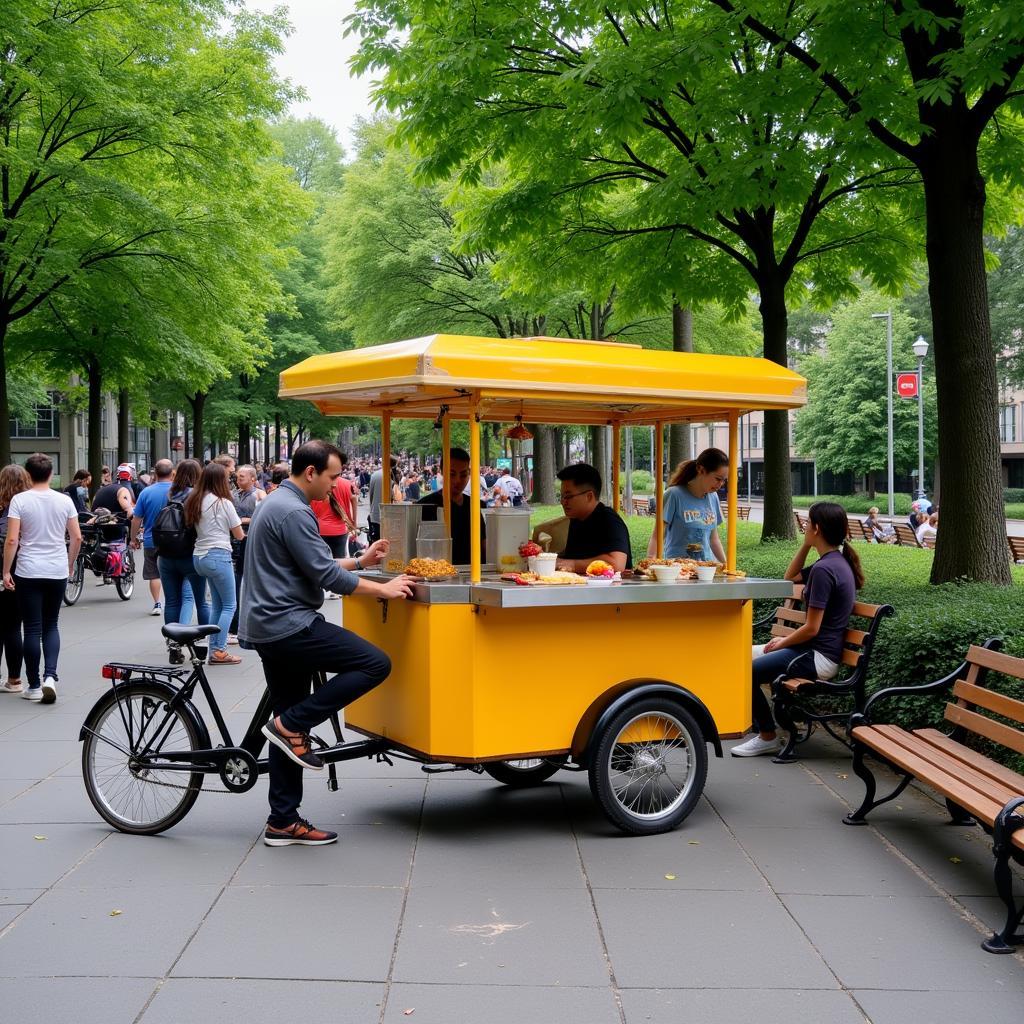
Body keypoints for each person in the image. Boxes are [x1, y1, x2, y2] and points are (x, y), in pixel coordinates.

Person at [239, 439, 415, 847]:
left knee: (286, 719)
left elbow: (313, 563)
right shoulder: (294, 511)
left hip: (270, 624)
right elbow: (327, 578)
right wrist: (383, 591)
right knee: (374, 663)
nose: (338, 485)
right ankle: (292, 725)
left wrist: (361, 561)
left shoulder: (278, 504)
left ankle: (282, 820)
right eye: (334, 477)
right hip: (288, 624)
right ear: (312, 473)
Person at [731, 501, 864, 757]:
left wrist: (781, 643)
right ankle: (760, 727)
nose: (803, 527)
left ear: (816, 527)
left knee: (747, 670)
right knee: (740, 656)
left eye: (807, 524)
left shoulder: (825, 570)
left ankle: (767, 735)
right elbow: (788, 577)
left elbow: (812, 628)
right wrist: (805, 544)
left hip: (818, 657)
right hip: (812, 651)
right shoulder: (832, 562)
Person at [2, 453, 82, 704]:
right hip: (56, 568)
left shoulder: (19, 501)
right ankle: (50, 677)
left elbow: (13, 539)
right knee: (51, 625)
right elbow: (77, 537)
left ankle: (33, 685)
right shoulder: (64, 500)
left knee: (32, 628)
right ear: (50, 473)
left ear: (28, 474)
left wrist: (6, 571)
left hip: (28, 569)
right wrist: (69, 564)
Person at [186, 462, 244, 665]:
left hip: (199, 556)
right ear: (221, 481)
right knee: (230, 605)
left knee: (217, 606)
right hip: (218, 555)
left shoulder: (195, 500)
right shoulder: (223, 503)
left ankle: (214, 650)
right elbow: (238, 534)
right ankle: (219, 651)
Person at [648, 448, 728, 563]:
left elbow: (713, 539)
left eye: (724, 480)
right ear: (701, 470)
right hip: (677, 571)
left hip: (705, 571)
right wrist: (650, 561)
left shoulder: (713, 497)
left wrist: (727, 565)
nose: (720, 484)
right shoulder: (674, 495)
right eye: (718, 479)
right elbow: (657, 536)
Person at [157, 459, 207, 637]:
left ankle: (173, 644)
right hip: (190, 554)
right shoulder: (197, 495)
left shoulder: (170, 493)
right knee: (201, 601)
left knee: (171, 601)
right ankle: (202, 642)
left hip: (166, 555)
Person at [554, 463, 632, 572]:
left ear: (589, 496)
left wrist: (572, 565)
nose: (563, 502)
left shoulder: (610, 520)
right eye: (562, 497)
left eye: (568, 496)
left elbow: (617, 564)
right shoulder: (577, 518)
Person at [416, 447, 486, 566]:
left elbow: (484, 543)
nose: (457, 481)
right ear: (442, 472)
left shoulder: (475, 505)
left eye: (463, 475)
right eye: (452, 474)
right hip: (437, 574)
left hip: (473, 573)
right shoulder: (425, 505)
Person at [129, 459, 175, 616]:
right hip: (176, 539)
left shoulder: (146, 492)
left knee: (154, 573)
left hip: (151, 538)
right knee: (174, 571)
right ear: (172, 472)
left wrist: (133, 538)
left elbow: (136, 518)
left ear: (155, 473)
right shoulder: (178, 490)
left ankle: (157, 604)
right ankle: (173, 601)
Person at [227, 465, 267, 643]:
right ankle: (234, 625)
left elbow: (265, 516)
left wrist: (243, 520)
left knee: (250, 580)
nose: (238, 480)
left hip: (250, 540)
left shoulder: (259, 495)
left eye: (242, 477)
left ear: (252, 478)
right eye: (237, 477)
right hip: (233, 542)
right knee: (235, 582)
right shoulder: (232, 494)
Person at [0, 465, 30, 694]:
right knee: (14, 627)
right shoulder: (31, 504)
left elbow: (8, 540)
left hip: (5, 572)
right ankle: (15, 679)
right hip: (26, 571)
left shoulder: (4, 509)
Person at [368, 456, 396, 544]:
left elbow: (371, 494)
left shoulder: (375, 475)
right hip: (387, 514)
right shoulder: (388, 476)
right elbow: (392, 496)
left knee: (376, 540)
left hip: (375, 513)